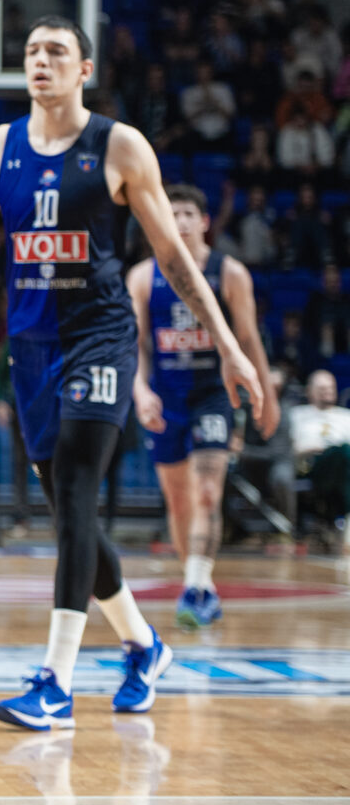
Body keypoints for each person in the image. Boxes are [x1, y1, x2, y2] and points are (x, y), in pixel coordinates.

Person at [0, 16, 265, 731]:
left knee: (75, 491)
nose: (40, 61)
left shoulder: (120, 145)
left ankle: (56, 681)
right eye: (33, 51)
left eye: (56, 52)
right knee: (65, 507)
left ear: (85, 68)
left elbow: (174, 259)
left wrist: (228, 345)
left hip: (99, 337)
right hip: (32, 345)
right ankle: (142, 642)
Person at [128, 184, 276, 630]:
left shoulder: (229, 273)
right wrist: (139, 390)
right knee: (177, 501)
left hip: (214, 392)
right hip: (165, 395)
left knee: (208, 490)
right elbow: (135, 345)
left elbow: (248, 338)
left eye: (189, 213)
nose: (182, 221)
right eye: (172, 213)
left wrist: (264, 395)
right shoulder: (142, 277)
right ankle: (198, 584)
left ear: (205, 221)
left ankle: (195, 585)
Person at [290, 370, 350, 544]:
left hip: (342, 466)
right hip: (310, 465)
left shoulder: (346, 416)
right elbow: (288, 448)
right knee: (343, 451)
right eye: (322, 388)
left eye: (331, 388)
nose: (327, 391)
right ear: (309, 391)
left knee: (343, 452)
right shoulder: (297, 414)